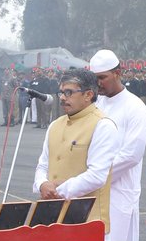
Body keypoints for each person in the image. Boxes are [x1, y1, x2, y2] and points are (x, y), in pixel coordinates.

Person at [32, 69, 118, 231]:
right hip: (52, 218)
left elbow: (97, 176)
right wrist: (42, 184)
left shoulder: (103, 125)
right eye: (62, 93)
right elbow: (42, 165)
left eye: (69, 92)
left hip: (87, 221)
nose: (63, 98)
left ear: (88, 95)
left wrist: (57, 191)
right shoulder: (55, 125)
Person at [91, 49, 146, 241]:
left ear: (117, 73)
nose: (98, 83)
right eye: (95, 78)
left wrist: (96, 175)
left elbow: (131, 155)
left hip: (119, 191)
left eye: (102, 77)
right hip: (90, 190)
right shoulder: (93, 106)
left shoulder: (135, 108)